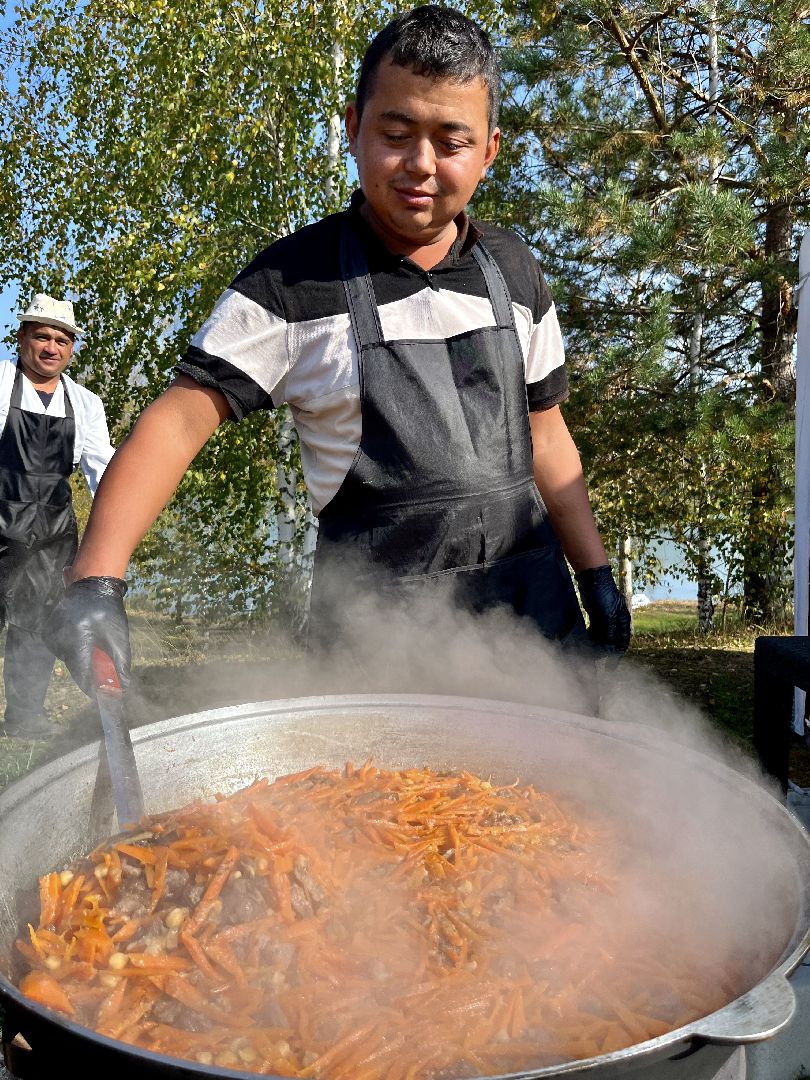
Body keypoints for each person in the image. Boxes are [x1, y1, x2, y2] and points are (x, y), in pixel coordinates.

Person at [44, 5, 630, 695]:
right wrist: (96, 581)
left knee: (557, 797)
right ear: (354, 127)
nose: (421, 164)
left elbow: (546, 433)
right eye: (396, 132)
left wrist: (593, 572)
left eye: (451, 141)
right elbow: (177, 423)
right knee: (377, 803)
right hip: (375, 640)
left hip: (534, 618)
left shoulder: (515, 269)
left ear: (489, 151)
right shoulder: (290, 284)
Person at [0, 294, 115, 737]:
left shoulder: (86, 403)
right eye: (42, 336)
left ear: (71, 349)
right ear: (22, 337)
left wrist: (109, 542)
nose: (52, 347)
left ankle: (24, 718)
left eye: (62, 340)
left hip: (51, 530)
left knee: (36, 622)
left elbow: (101, 472)